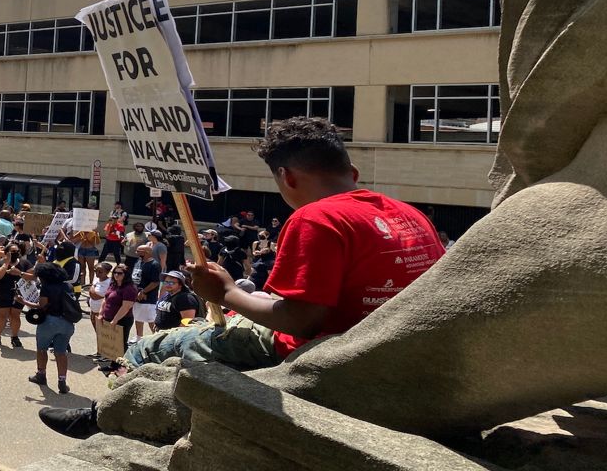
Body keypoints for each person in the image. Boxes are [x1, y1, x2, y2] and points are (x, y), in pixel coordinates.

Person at [41, 117, 446, 439]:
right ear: (352, 171)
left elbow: (302, 319)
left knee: (156, 346)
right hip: (385, 345)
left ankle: (103, 420)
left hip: (320, 349)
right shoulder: (409, 214)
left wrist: (227, 291)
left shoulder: (317, 218)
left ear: (286, 177)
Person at [30, 263, 76, 394]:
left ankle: (41, 374)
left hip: (49, 322)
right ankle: (62, 380)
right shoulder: (68, 286)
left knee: (42, 349)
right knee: (61, 352)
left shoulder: (46, 287)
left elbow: (42, 306)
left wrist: (24, 302)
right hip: (67, 323)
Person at [0, 239, 31, 349]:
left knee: (15, 315)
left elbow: (33, 276)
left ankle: (15, 337)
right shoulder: (0, 262)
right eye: (12, 251)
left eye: (16, 251)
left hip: (19, 294)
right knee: (2, 316)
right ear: (6, 252)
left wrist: (20, 273)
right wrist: (6, 264)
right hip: (3, 293)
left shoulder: (24, 263)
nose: (15, 253)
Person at [131, 243, 162, 341]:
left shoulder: (154, 265)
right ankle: (139, 337)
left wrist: (143, 291)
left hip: (148, 297)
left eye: (138, 251)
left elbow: (155, 282)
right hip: (136, 295)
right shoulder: (139, 261)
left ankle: (157, 338)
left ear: (147, 252)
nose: (136, 252)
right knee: (138, 317)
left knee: (151, 319)